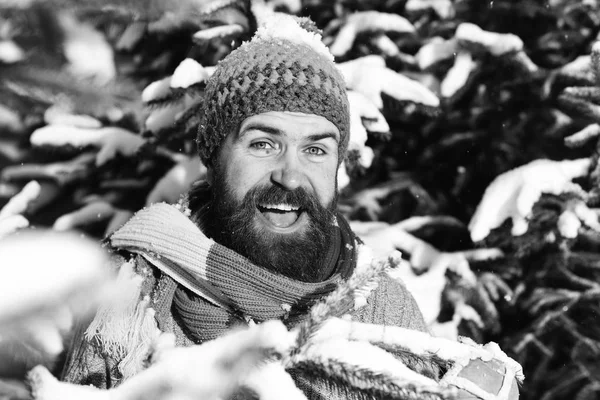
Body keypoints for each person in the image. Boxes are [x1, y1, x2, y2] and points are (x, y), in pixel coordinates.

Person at [57, 15, 519, 399]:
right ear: (214, 155)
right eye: (262, 143)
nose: (290, 175)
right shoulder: (129, 291)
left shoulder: (381, 304)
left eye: (316, 150)